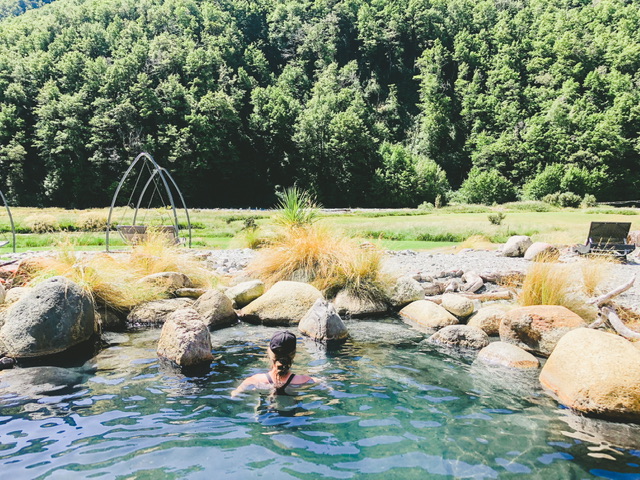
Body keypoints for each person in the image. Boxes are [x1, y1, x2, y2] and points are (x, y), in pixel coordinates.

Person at [231, 331, 316, 397]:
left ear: (270, 353)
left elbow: (234, 395)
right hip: (295, 418)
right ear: (294, 354)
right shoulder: (305, 380)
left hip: (264, 417)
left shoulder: (254, 380)